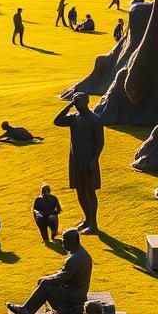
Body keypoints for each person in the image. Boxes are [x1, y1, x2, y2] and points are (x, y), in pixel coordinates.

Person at [6, 228, 93, 314]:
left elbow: (62, 278)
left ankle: (28, 311)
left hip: (74, 294)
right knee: (46, 282)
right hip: (77, 291)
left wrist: (46, 280)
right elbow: (65, 274)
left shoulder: (74, 258)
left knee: (45, 285)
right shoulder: (81, 253)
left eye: (64, 241)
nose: (62, 244)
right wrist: (48, 278)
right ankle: (28, 310)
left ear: (72, 241)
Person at [54, 92, 104, 234]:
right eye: (75, 101)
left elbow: (100, 142)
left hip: (89, 160)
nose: (77, 103)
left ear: (86, 102)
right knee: (79, 190)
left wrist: (95, 159)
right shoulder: (73, 118)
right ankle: (87, 219)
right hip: (75, 159)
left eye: (79, 100)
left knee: (90, 191)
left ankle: (93, 224)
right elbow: (57, 121)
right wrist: (69, 105)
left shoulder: (95, 120)